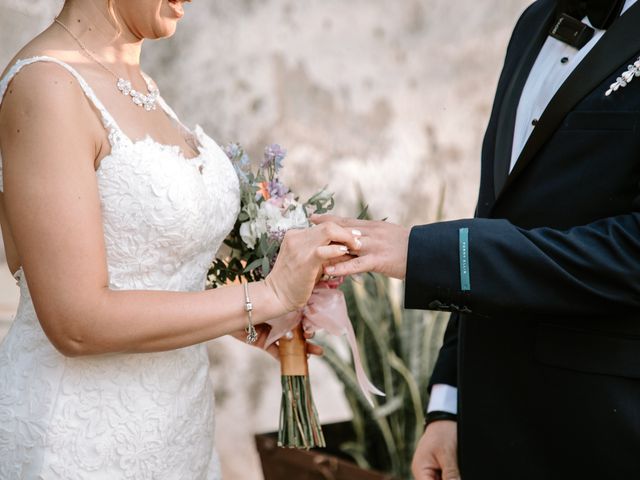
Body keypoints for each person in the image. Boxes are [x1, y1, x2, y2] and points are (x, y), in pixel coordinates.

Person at [0, 0, 360, 478]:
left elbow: (144, 266)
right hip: (81, 441)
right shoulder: (47, 85)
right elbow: (74, 322)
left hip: (176, 429)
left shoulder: (136, 80)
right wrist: (264, 294)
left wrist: (244, 320)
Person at [315, 0, 640, 478]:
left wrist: (429, 254)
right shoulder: (534, 21)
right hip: (489, 427)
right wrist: (449, 404)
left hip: (601, 431)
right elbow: (498, 209)